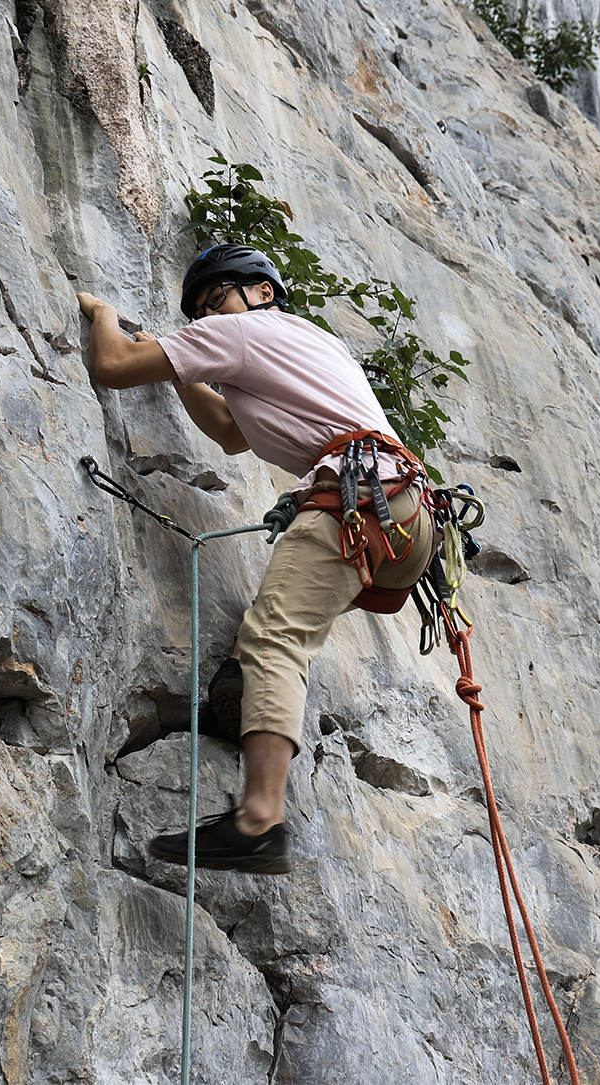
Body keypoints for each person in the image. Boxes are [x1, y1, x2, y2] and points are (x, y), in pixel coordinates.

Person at [77, 244, 437, 874]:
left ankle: (258, 821)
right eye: (199, 312)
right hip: (405, 516)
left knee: (276, 638)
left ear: (262, 292)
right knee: (274, 639)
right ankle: (248, 690)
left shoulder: (244, 333)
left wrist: (103, 314)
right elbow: (229, 432)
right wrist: (180, 372)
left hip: (357, 497)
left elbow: (112, 365)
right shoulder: (307, 344)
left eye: (216, 298)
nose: (207, 317)